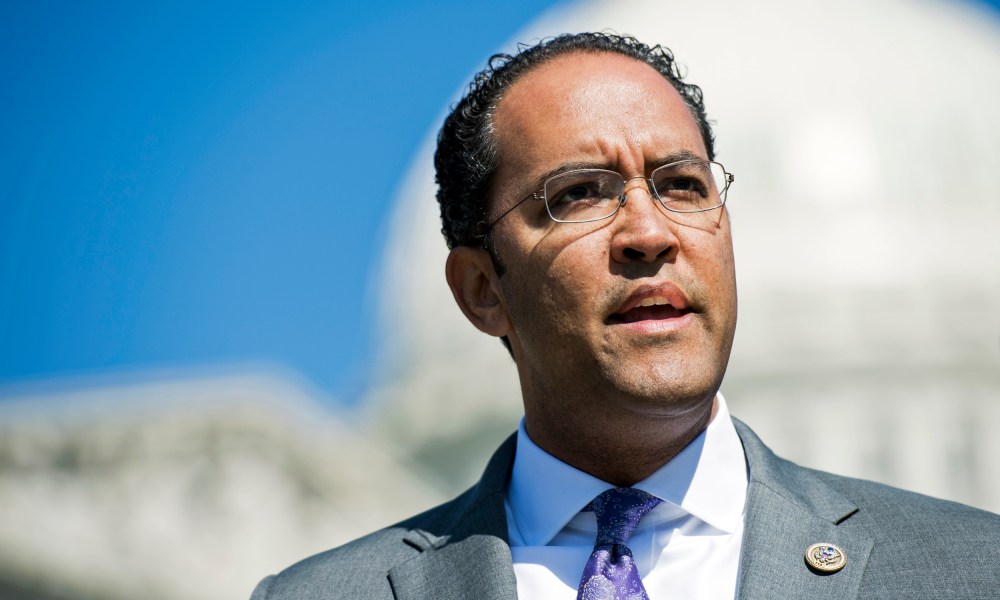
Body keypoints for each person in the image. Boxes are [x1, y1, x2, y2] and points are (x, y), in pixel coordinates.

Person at [250, 32, 1000, 599]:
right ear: (482, 289)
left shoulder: (967, 570)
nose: (650, 233)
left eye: (681, 184)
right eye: (579, 194)